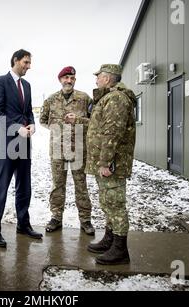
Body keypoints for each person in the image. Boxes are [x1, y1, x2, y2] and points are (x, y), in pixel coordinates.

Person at [0, 49, 43, 248]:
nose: (29, 66)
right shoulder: (0, 82)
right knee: (1, 186)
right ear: (15, 60)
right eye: (26, 62)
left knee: (24, 185)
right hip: (6, 141)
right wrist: (16, 127)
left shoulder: (27, 85)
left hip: (24, 141)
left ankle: (23, 224)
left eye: (29, 63)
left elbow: (27, 110)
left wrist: (31, 123)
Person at [85, 64, 136, 265]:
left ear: (107, 79)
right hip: (104, 163)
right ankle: (110, 239)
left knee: (115, 203)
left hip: (111, 164)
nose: (96, 80)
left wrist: (105, 162)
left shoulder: (116, 99)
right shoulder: (109, 97)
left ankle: (120, 249)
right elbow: (99, 125)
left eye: (99, 77)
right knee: (107, 202)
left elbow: (112, 133)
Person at [39, 66, 95, 235]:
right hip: (57, 148)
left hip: (78, 148)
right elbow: (42, 120)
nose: (68, 81)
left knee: (81, 186)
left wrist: (78, 121)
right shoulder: (51, 100)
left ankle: (85, 220)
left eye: (71, 78)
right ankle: (56, 217)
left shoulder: (85, 99)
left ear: (75, 80)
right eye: (66, 78)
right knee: (58, 185)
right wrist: (58, 131)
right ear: (60, 80)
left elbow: (94, 121)